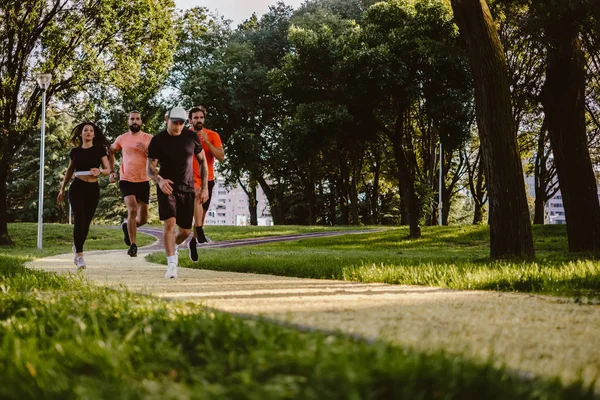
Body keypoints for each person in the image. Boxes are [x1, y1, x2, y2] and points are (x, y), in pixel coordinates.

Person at [147, 107, 209, 279]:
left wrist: (204, 187)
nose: (178, 126)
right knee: (169, 224)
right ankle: (171, 264)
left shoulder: (192, 137)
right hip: (167, 187)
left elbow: (203, 162)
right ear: (167, 119)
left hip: (188, 188)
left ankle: (172, 248)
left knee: (185, 232)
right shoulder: (157, 140)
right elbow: (150, 169)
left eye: (181, 123)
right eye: (175, 122)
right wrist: (160, 180)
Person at [57, 122, 111, 270]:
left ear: (94, 134)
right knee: (79, 218)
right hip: (77, 187)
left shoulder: (100, 150)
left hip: (93, 188)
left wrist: (99, 172)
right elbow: (69, 171)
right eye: (85, 130)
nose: (88, 132)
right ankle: (79, 256)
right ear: (81, 134)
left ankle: (77, 245)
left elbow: (108, 169)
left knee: (86, 222)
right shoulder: (75, 152)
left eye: (91, 130)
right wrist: (62, 189)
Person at [109, 110, 153, 257]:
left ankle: (126, 226)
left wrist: (146, 150)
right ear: (128, 122)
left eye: (137, 119)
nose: (135, 121)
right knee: (132, 210)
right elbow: (111, 151)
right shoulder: (122, 138)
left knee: (144, 219)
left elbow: (156, 157)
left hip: (144, 180)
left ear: (141, 122)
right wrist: (111, 171)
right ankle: (133, 246)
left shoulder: (149, 138)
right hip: (126, 179)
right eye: (132, 119)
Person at [187, 105, 225, 262]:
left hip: (207, 179)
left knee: (201, 215)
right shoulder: (184, 135)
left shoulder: (212, 135)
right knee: (197, 196)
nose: (199, 120)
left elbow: (221, 156)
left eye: (201, 117)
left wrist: (208, 142)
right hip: (189, 178)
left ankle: (193, 241)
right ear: (190, 120)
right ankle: (200, 230)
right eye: (195, 118)